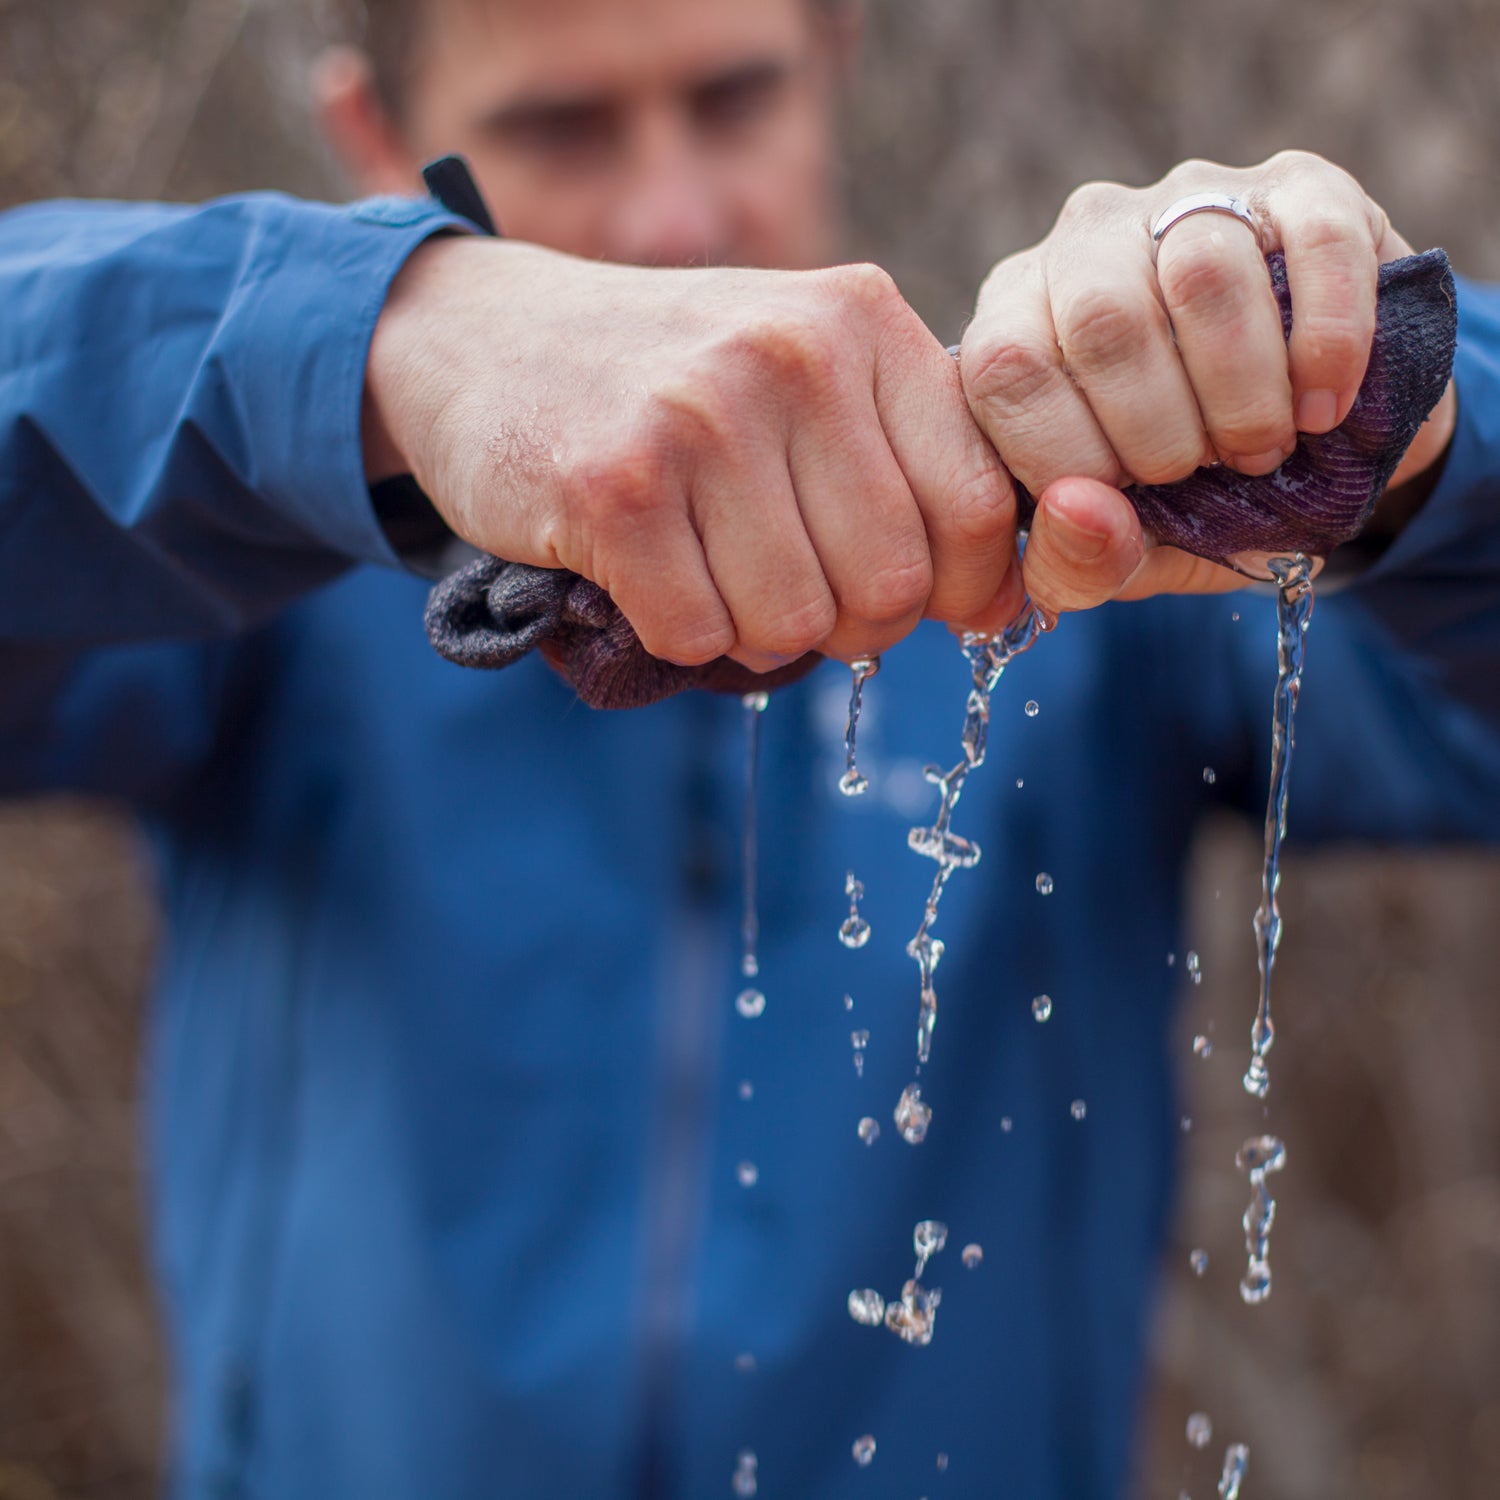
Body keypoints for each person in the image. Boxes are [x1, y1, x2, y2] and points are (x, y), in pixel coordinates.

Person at [1, 3, 1497, 1498]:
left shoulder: (1097, 553)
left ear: (834, 64)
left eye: (731, 102)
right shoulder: (260, 558)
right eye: (560, 128)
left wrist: (1400, 418)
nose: (675, 211)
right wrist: (372, 333)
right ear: (377, 142)